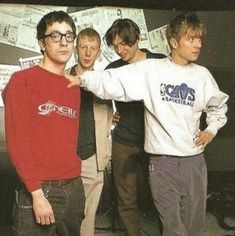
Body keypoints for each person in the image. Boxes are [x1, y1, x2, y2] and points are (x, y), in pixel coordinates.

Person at [65, 12, 229, 236]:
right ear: (174, 42)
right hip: (161, 163)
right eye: (191, 39)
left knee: (193, 226)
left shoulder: (202, 75)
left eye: (199, 39)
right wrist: (82, 79)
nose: (198, 44)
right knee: (172, 226)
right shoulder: (152, 69)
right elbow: (114, 80)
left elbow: (219, 106)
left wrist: (211, 129)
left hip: (193, 161)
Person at [2, 11, 85, 236]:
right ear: (41, 43)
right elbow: (18, 143)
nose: (64, 42)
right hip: (39, 189)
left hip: (74, 187)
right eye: (55, 36)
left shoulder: (73, 87)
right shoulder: (22, 81)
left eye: (69, 36)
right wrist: (36, 193)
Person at [104, 18, 165, 236]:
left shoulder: (160, 62)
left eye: (124, 43)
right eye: (115, 45)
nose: (120, 50)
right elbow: (98, 96)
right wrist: (110, 116)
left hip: (157, 141)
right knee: (126, 198)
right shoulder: (113, 68)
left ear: (136, 38)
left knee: (161, 197)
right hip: (124, 141)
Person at [68, 28, 113, 236]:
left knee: (88, 216)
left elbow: (108, 114)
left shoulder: (104, 81)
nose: (87, 53)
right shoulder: (62, 78)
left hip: (92, 156)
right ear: (76, 49)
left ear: (99, 52)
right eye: (83, 47)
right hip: (64, 156)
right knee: (62, 213)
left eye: (92, 48)